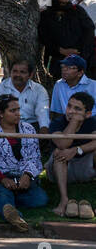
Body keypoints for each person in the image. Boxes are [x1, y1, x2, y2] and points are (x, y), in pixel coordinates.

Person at [0, 93, 46, 232]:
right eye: (12, 111)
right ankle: (16, 217)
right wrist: (2, 179)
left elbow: (35, 156)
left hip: (22, 175)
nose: (18, 114)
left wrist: (27, 175)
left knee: (40, 199)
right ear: (1, 113)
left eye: (18, 110)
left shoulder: (28, 129)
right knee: (3, 191)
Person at [45, 91, 96, 219]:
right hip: (58, 169)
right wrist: (74, 123)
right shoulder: (57, 122)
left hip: (84, 168)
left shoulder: (92, 122)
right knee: (59, 152)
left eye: (77, 109)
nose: (70, 111)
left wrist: (77, 150)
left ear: (88, 114)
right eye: (69, 106)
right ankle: (64, 200)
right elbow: (62, 144)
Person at [39, 0, 95, 81]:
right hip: (55, 59)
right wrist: (61, 50)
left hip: (79, 57)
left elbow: (89, 30)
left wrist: (79, 52)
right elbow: (44, 36)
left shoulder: (77, 11)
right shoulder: (46, 14)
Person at [0, 59, 49, 133]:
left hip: (32, 128)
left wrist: (43, 134)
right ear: (10, 72)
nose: (18, 75)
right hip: (7, 128)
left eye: (22, 72)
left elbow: (43, 115)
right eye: (15, 71)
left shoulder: (39, 90)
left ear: (30, 75)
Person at [48, 54, 96, 131]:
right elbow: (57, 112)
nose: (64, 69)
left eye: (69, 67)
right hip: (66, 122)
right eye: (63, 66)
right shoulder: (59, 84)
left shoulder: (94, 85)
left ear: (80, 73)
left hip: (91, 123)